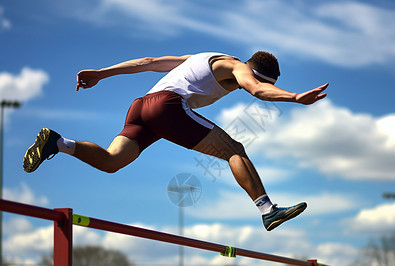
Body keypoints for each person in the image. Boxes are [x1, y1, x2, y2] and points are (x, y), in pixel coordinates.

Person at [23, 51, 328, 231]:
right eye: (260, 80)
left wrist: (102, 73)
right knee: (235, 150)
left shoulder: (201, 56)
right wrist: (295, 97)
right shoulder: (240, 68)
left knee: (113, 161)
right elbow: (258, 91)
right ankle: (267, 210)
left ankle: (58, 143)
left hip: (141, 106)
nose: (248, 86)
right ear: (257, 72)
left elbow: (149, 61)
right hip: (168, 106)